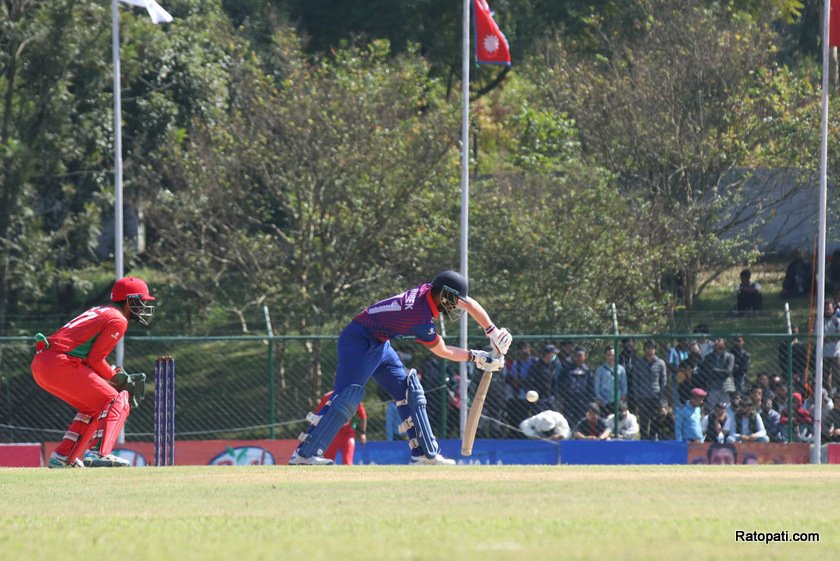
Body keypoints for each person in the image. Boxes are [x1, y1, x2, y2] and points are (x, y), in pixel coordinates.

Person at [289, 270, 511, 465]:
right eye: (454, 300)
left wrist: (493, 332)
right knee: (347, 397)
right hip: (359, 340)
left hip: (380, 342)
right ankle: (304, 454)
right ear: (444, 295)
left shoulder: (430, 292)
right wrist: (477, 357)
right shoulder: (419, 315)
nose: (456, 306)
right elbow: (442, 350)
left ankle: (424, 455)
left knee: (409, 390)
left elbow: (469, 303)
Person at [30, 276, 155, 468]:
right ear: (130, 300)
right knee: (115, 400)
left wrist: (110, 374)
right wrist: (115, 378)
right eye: (141, 301)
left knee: (95, 407)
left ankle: (64, 457)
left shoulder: (101, 310)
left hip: (43, 363)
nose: (144, 307)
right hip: (60, 362)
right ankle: (99, 453)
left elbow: (84, 354)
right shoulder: (118, 319)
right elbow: (95, 359)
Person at [314, 389, 367, 464]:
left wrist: (363, 433)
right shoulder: (328, 397)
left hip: (348, 434)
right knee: (328, 461)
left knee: (347, 462)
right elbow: (318, 415)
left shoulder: (353, 397)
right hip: (331, 434)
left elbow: (363, 416)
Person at [631, 340, 667, 440]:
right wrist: (637, 397)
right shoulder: (638, 363)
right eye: (647, 348)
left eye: (652, 348)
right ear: (644, 349)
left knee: (656, 422)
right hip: (643, 398)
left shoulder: (660, 363)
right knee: (643, 422)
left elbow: (663, 382)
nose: (649, 350)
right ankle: (644, 442)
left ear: (655, 350)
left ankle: (654, 441)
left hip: (656, 397)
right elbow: (635, 381)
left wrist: (662, 400)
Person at [525, 344, 559, 414]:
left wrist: (553, 395)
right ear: (547, 354)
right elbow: (530, 382)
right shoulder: (536, 366)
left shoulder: (552, 365)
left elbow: (553, 382)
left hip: (549, 397)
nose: (554, 355)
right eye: (552, 353)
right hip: (539, 398)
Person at [593, 346, 627, 415]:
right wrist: (600, 399)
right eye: (609, 355)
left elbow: (624, 385)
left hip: (618, 402)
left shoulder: (621, 369)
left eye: (613, 355)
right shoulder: (600, 370)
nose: (611, 357)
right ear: (605, 356)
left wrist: (623, 397)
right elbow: (597, 387)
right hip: (604, 402)